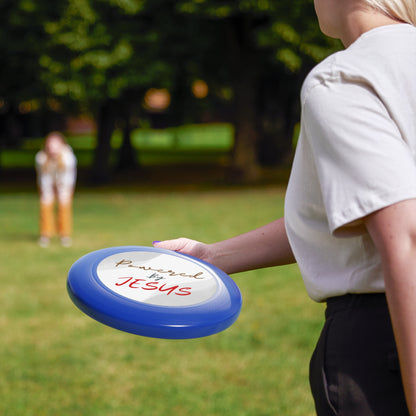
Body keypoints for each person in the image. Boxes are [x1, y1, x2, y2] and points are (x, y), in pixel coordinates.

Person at [153, 1, 416, 415]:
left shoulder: (346, 78)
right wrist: (212, 256)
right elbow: (353, 212)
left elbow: (406, 237)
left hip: (386, 343)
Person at [35, 131, 77, 247]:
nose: (52, 148)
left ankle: (65, 235)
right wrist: (47, 191)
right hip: (47, 183)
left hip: (64, 184)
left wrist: (62, 189)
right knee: (45, 204)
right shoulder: (41, 158)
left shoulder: (68, 157)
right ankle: (45, 234)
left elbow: (68, 177)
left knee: (64, 205)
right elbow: (44, 177)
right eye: (50, 145)